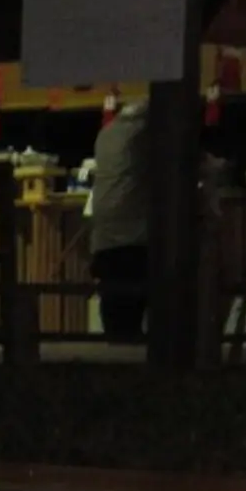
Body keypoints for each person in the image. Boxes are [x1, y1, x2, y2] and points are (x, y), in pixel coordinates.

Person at [85, 98, 151, 342]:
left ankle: (115, 342)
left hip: (103, 229)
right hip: (134, 227)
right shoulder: (145, 132)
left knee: (112, 293)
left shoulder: (106, 133)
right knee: (137, 290)